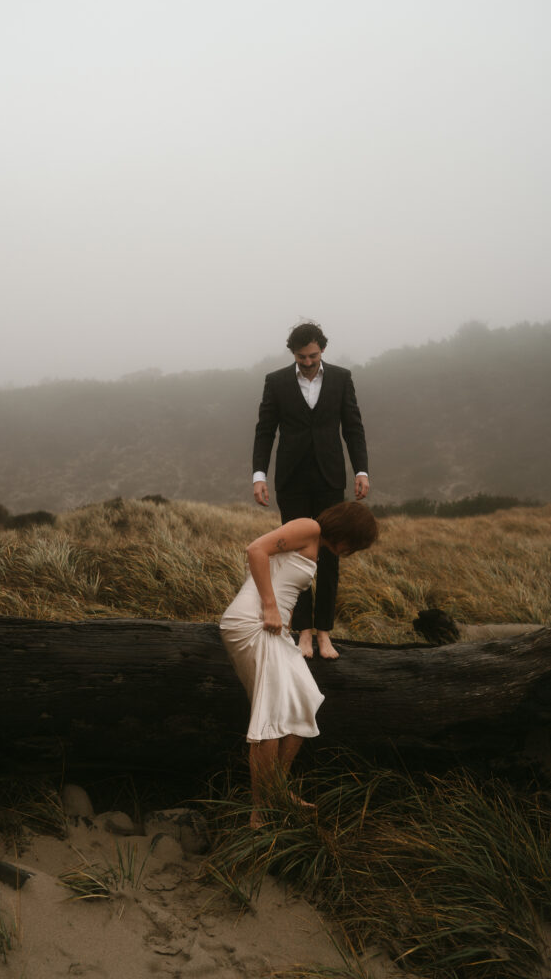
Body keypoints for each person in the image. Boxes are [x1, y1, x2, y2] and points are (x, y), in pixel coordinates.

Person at [219, 501, 379, 828]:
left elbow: (285, 583)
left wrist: (284, 619)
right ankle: (261, 810)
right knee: (272, 715)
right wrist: (270, 607)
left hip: (274, 629)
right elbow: (256, 550)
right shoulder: (309, 527)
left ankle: (277, 788)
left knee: (305, 700)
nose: (350, 551)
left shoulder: (317, 545)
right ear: (346, 530)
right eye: (354, 542)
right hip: (253, 622)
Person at [252, 321, 369, 660]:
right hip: (292, 481)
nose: (307, 362)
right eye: (301, 357)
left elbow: (353, 427)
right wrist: (259, 475)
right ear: (293, 353)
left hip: (330, 478)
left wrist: (361, 469)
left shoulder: (342, 378)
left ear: (322, 351)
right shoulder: (275, 382)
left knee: (330, 554)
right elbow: (265, 431)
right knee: (294, 555)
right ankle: (302, 631)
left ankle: (324, 634)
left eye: (313, 356)